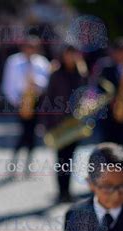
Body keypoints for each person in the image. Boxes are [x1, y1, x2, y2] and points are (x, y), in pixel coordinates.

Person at [44, 45, 88, 202]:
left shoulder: (81, 73)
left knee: (71, 158)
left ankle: (68, 191)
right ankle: (61, 190)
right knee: (61, 159)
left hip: (75, 122)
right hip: (59, 123)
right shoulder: (56, 74)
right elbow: (48, 98)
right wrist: (48, 124)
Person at [1, 35, 50, 169]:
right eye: (28, 46)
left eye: (33, 47)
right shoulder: (13, 61)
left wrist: (37, 83)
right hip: (20, 101)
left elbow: (46, 82)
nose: (30, 50)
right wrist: (16, 101)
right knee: (23, 132)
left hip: (37, 100)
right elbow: (8, 84)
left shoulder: (42, 62)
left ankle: (28, 162)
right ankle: (15, 160)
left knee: (32, 133)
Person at [99, 37, 123, 147]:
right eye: (120, 51)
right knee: (108, 143)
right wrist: (111, 99)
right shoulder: (107, 68)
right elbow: (100, 86)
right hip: (109, 112)